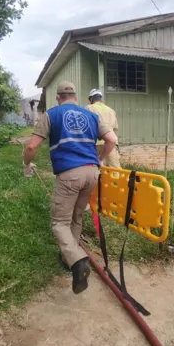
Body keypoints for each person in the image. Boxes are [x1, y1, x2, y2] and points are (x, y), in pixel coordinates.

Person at [23, 81, 118, 294]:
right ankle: (70, 260)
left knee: (59, 222)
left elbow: (31, 146)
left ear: (58, 97)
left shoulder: (52, 114)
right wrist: (100, 158)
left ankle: (77, 262)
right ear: (76, 97)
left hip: (69, 174)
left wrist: (27, 164)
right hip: (91, 173)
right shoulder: (93, 116)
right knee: (76, 216)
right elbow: (111, 139)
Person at [85, 89, 122, 168]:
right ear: (100, 98)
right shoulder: (111, 110)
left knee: (95, 168)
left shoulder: (88, 108)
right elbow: (115, 129)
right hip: (110, 144)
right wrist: (116, 146)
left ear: (91, 99)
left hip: (95, 144)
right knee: (115, 170)